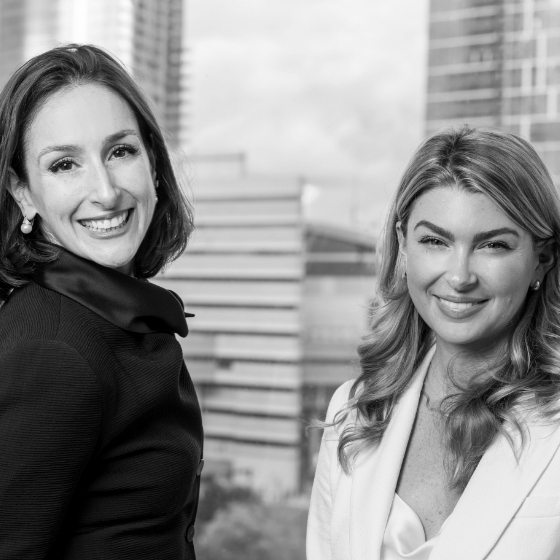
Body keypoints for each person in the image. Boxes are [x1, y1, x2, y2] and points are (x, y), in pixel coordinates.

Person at [307, 126, 560, 560]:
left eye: (494, 245)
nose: (460, 277)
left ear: (542, 259)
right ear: (404, 248)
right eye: (435, 241)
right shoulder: (352, 410)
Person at [0, 44, 203, 560]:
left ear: (153, 162)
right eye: (65, 164)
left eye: (120, 151)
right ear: (23, 193)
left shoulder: (114, 319)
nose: (106, 191)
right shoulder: (50, 352)